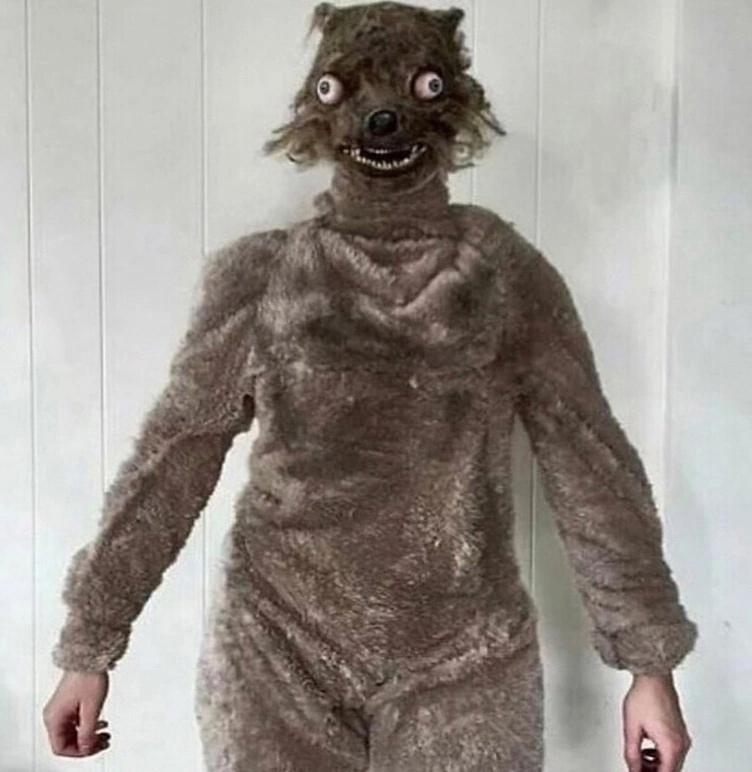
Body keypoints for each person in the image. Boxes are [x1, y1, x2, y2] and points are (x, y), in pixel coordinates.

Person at [43, 3, 698, 770]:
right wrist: (89, 645)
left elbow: (589, 464)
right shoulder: (263, 275)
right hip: (278, 652)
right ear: (320, 110)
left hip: (466, 655)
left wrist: (651, 663)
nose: (382, 118)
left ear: (450, 103)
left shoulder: (502, 273)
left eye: (418, 88)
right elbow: (174, 458)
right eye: (348, 90)